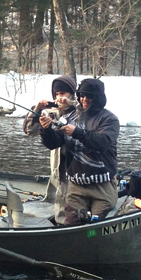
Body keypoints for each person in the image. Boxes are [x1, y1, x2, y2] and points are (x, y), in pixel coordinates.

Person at [39, 77, 119, 225]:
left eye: (90, 96)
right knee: (71, 225)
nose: (85, 99)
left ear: (99, 98)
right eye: (82, 95)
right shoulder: (69, 117)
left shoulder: (109, 119)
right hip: (75, 188)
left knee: (96, 227)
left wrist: (78, 133)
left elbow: (103, 143)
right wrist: (46, 129)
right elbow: (53, 143)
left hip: (102, 186)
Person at [23, 75, 77, 224]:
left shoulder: (80, 112)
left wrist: (70, 103)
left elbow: (84, 107)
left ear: (72, 94)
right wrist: (37, 110)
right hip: (58, 170)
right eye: (57, 94)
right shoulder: (51, 114)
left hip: (76, 168)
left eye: (63, 94)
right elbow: (29, 130)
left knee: (73, 206)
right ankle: (60, 226)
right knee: (60, 203)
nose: (60, 98)